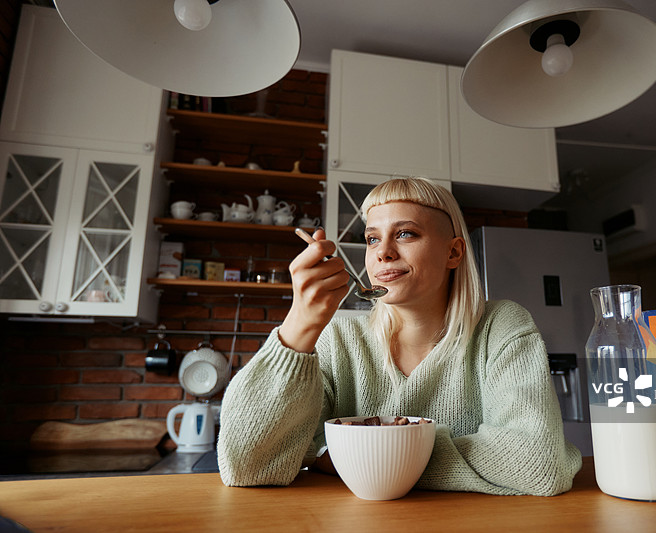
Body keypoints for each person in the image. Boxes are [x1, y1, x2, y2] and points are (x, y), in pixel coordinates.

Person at [217, 176, 582, 496]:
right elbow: (247, 465)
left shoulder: (501, 326)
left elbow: (538, 463)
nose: (383, 253)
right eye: (372, 239)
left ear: (453, 252)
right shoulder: (337, 340)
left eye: (405, 233)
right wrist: (300, 325)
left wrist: (350, 455)